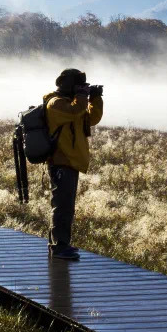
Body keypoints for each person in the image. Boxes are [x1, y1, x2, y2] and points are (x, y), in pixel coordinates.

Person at [43, 68, 103, 260]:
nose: (82, 89)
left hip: (71, 162)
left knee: (66, 205)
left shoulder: (73, 103)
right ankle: (59, 246)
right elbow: (75, 110)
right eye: (78, 85)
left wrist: (95, 99)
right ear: (68, 85)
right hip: (61, 161)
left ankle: (62, 244)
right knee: (62, 206)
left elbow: (91, 119)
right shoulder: (56, 103)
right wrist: (82, 96)